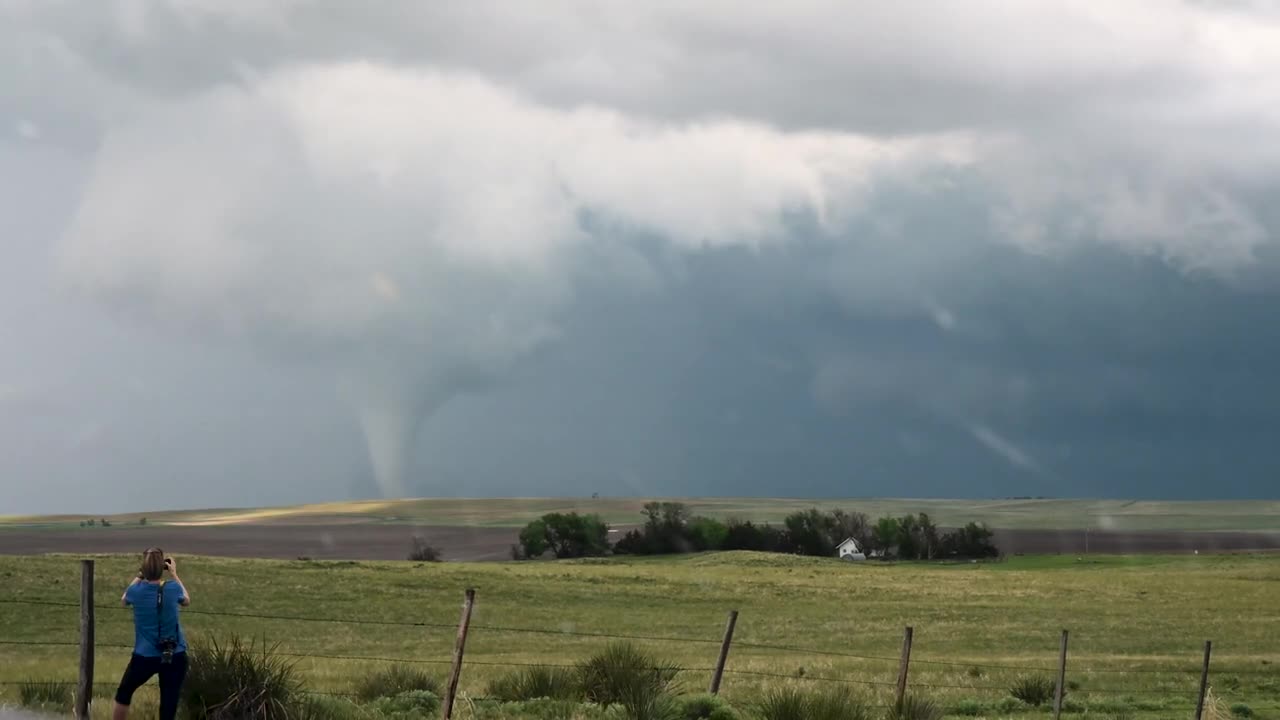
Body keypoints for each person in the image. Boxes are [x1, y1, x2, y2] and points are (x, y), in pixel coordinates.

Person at [113, 547, 191, 720]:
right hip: (174, 653)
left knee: (124, 692)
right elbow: (186, 599)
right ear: (162, 569)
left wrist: (140, 575)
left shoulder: (136, 591)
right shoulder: (173, 589)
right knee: (169, 703)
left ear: (144, 568)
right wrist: (174, 574)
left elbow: (124, 599)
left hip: (145, 655)